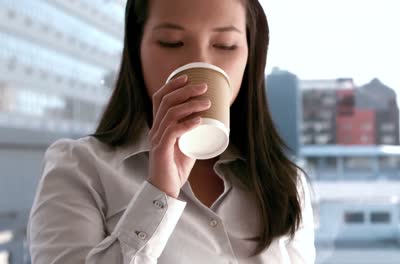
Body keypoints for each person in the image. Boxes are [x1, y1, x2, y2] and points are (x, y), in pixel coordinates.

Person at [27, 0, 316, 263]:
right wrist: (160, 192)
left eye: (226, 45)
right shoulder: (80, 168)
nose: (201, 62)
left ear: (250, 58)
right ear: (137, 51)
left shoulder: (285, 184)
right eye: (172, 42)